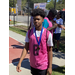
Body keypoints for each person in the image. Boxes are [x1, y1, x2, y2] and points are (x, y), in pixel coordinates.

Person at [16, 8, 53, 75]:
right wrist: (20, 62)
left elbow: (50, 51)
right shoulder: (29, 33)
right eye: (34, 19)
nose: (36, 21)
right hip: (33, 65)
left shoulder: (48, 34)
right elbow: (25, 48)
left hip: (43, 65)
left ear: (42, 20)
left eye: (38, 19)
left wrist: (50, 67)